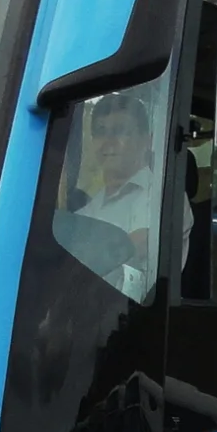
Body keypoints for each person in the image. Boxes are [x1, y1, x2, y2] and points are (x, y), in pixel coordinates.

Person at [52, 83, 166, 297]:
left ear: (147, 140)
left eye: (120, 131)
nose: (108, 142)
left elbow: (124, 251)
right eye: (100, 132)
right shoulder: (91, 206)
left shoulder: (163, 197)